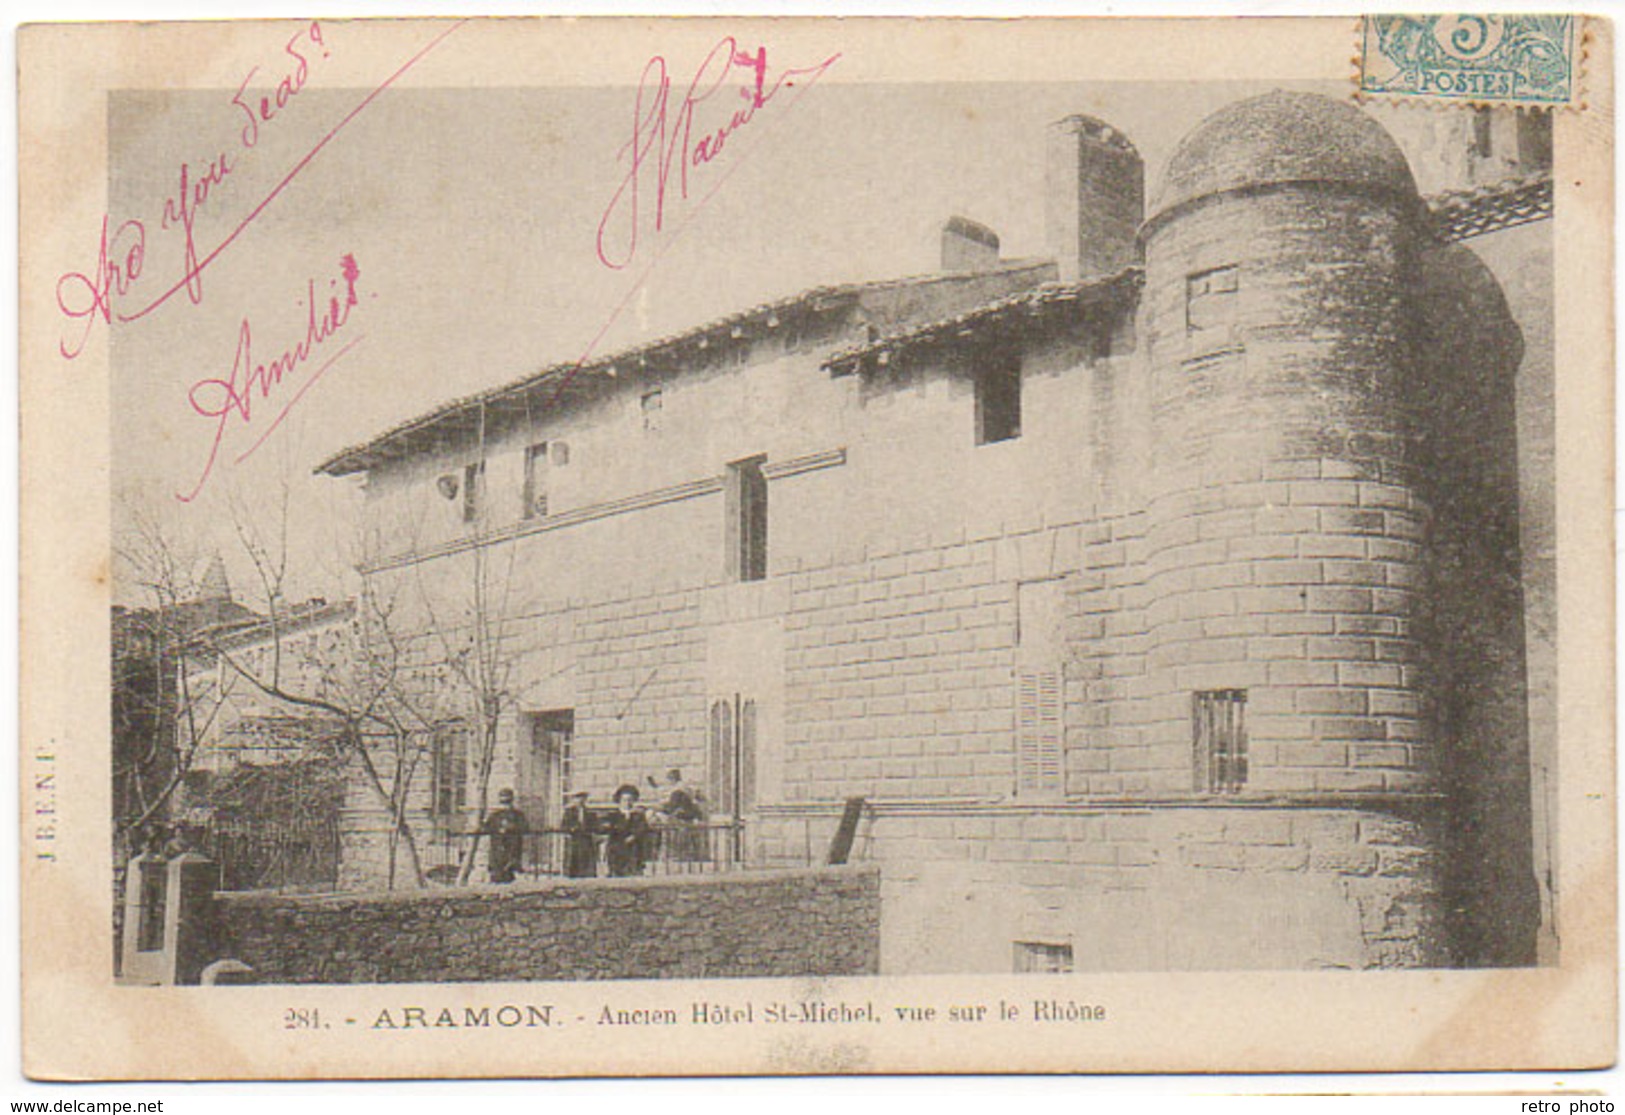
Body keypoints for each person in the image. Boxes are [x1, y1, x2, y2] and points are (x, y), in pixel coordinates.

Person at [650, 768, 705, 867]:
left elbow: (672, 806)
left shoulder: (678, 791)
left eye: (669, 779)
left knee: (674, 841)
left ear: (673, 779)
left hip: (680, 820)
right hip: (684, 819)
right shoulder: (684, 789)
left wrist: (661, 808)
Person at [480, 788, 527, 884]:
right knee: (497, 874)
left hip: (512, 850)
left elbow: (525, 828)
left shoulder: (518, 815)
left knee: (509, 874)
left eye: (507, 801)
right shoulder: (495, 816)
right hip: (497, 850)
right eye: (503, 802)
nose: (505, 805)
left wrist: (511, 828)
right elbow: (486, 828)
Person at [603, 783, 650, 877]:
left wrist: (634, 836)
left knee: (634, 872)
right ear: (619, 800)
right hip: (617, 849)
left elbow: (643, 828)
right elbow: (609, 830)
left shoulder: (638, 816)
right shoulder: (612, 816)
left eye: (630, 800)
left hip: (634, 849)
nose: (627, 803)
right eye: (624, 800)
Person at [560, 789, 598, 879]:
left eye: (582, 797)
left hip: (586, 841)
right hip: (574, 841)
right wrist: (572, 828)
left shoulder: (590, 813)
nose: (580, 800)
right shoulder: (569, 812)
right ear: (573, 799)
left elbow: (595, 826)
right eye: (577, 798)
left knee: (587, 863)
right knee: (573, 863)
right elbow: (564, 826)